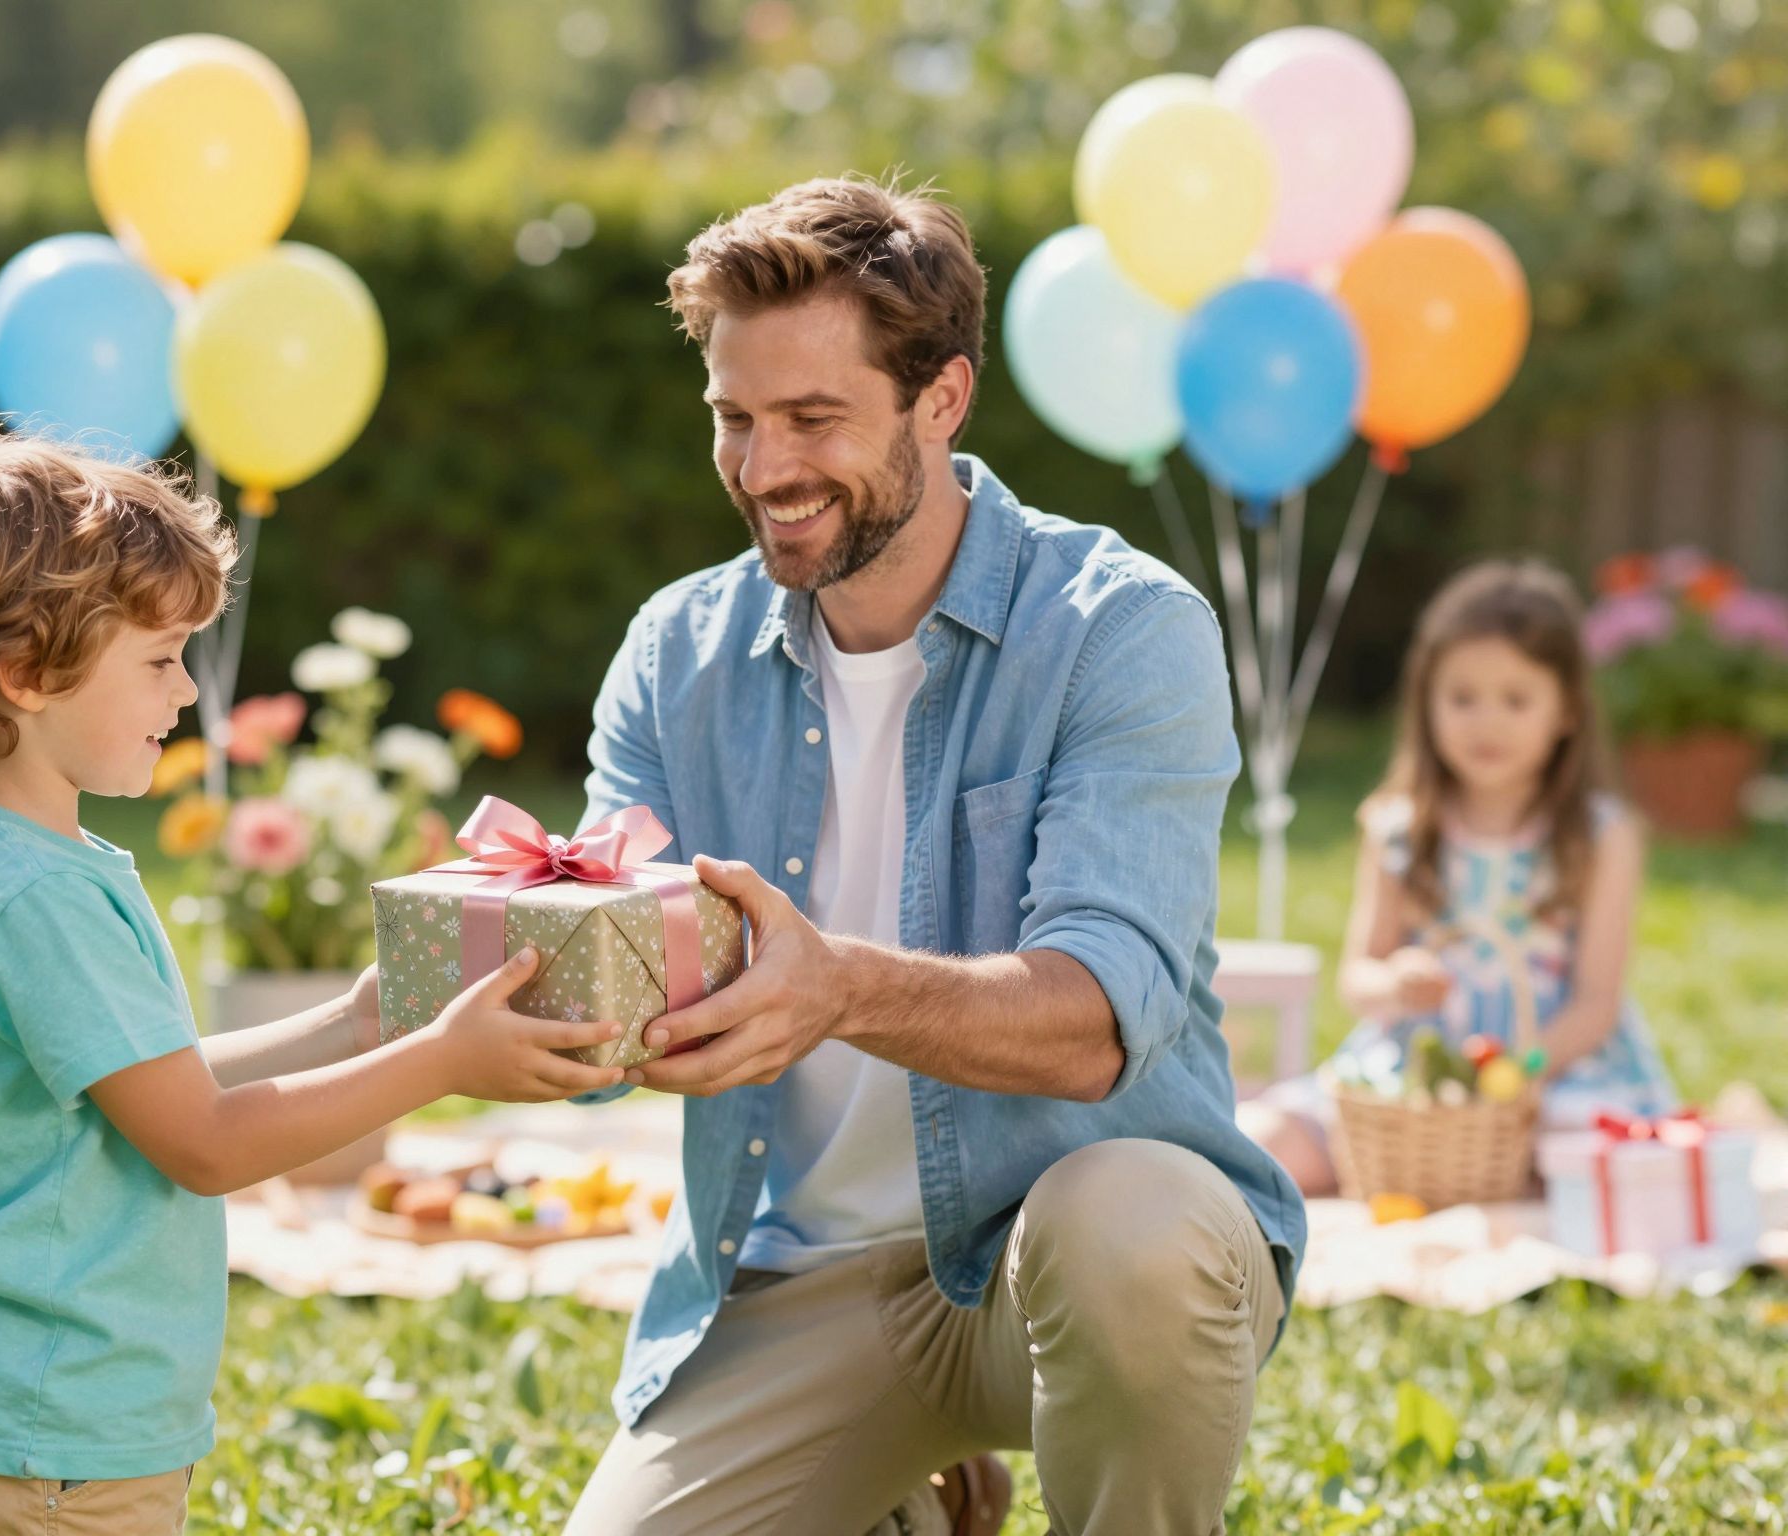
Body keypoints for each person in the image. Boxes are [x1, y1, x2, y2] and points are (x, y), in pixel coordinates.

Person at [562, 176, 1306, 1536]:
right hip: (799, 1276)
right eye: (733, 418)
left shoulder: (1121, 630)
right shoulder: (675, 653)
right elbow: (611, 981)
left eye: (813, 419)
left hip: (1066, 1259)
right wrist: (547, 969)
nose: (763, 466)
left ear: (941, 399)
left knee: (1131, 1225)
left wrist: (836, 986)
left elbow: (1093, 1023)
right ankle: (906, 1496)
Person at [0, 423, 627, 1534]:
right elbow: (202, 1142)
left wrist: (355, 1021)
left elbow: (154, 1088)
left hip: (38, 1425)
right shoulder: (36, 897)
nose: (186, 692)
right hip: (47, 1442)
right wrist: (435, 1063)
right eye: (156, 661)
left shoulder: (14, 861)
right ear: (25, 675)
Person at [1238, 559, 1679, 1197]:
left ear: (1568, 713)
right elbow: (1358, 978)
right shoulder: (1397, 825)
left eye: (1516, 699)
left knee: (1596, 1164)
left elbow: (1596, 1003)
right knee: (1266, 1143)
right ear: (1427, 703)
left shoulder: (1601, 834)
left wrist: (1517, 1073)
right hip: (1416, 1070)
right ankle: (1436, 1172)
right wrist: (1394, 983)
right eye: (1462, 697)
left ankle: (1490, 1178)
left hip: (1552, 1070)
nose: (1486, 722)